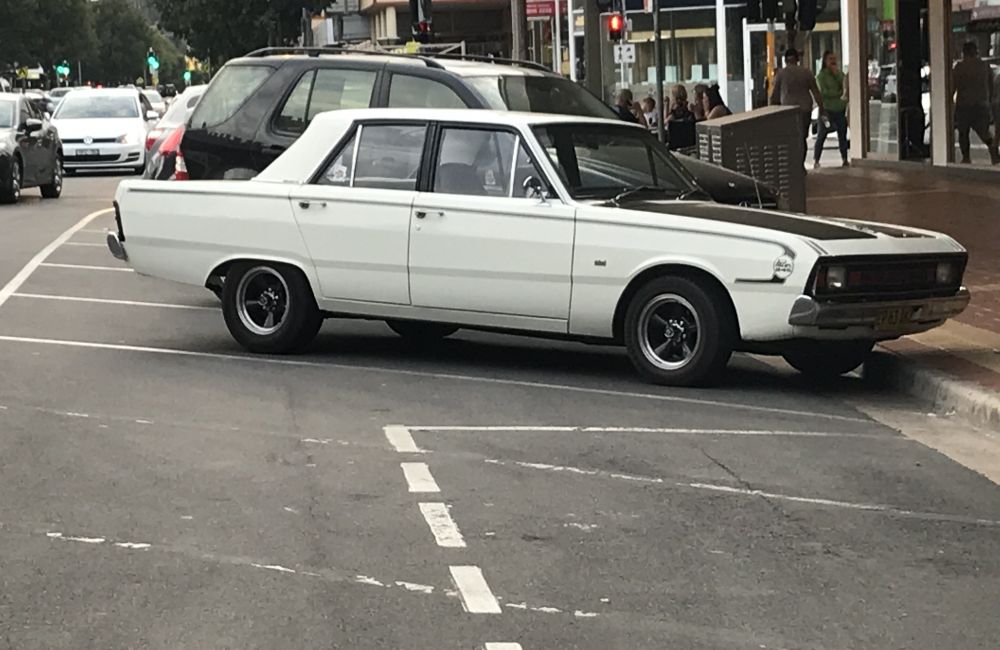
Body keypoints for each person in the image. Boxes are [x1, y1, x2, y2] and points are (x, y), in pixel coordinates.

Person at [770, 48, 825, 166]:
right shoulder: (806, 72)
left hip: (788, 111)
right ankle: (801, 164)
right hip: (805, 109)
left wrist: (771, 112)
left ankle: (792, 165)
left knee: (790, 138)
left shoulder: (781, 74)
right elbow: (816, 92)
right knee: (802, 138)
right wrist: (822, 108)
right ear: (797, 59)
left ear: (785, 60)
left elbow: (774, 95)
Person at [953, 41, 999, 165]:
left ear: (964, 52)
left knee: (963, 133)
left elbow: (953, 86)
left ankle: (966, 157)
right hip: (981, 104)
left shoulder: (959, 67)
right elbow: (991, 85)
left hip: (964, 104)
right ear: (976, 51)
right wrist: (989, 101)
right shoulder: (985, 66)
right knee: (984, 132)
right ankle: (994, 153)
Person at [814, 50, 849, 168]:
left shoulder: (839, 74)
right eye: (830, 59)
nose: (833, 61)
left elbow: (844, 85)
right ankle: (816, 160)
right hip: (827, 110)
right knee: (822, 134)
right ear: (825, 61)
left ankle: (844, 158)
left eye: (835, 59)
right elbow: (824, 92)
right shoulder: (821, 76)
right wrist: (839, 93)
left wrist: (837, 74)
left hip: (840, 109)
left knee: (842, 134)